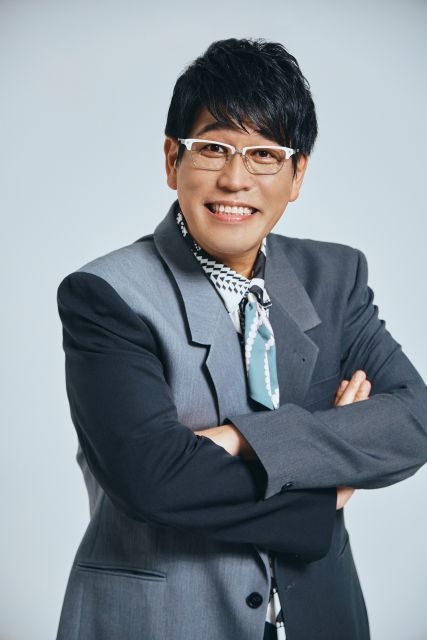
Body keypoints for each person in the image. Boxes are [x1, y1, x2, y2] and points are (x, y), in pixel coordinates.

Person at [56, 38, 427, 640]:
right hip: (162, 621)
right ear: (172, 160)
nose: (235, 179)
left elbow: (413, 420)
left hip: (322, 618)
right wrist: (326, 486)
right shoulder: (107, 294)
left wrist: (240, 439)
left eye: (264, 155)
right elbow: (152, 481)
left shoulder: (335, 278)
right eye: (213, 148)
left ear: (297, 174)